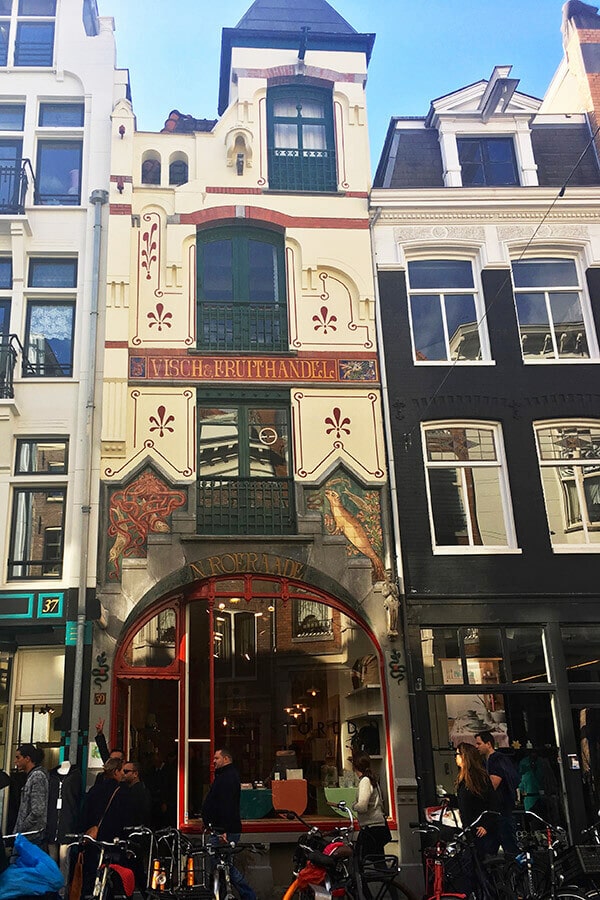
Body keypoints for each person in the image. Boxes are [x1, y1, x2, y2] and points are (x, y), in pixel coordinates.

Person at [201, 748, 256, 900]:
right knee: (220, 866)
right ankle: (221, 895)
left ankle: (248, 895)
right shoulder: (224, 776)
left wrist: (224, 830)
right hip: (219, 828)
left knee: (225, 866)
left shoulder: (228, 777)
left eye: (216, 758)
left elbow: (227, 805)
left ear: (226, 759)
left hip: (223, 831)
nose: (213, 761)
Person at [475, 731, 519, 855]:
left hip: (502, 811)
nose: (476, 747)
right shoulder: (487, 762)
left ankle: (517, 871)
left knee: (509, 848)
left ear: (488, 744)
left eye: (479, 743)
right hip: (497, 812)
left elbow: (492, 785)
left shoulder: (497, 761)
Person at [454, 742, 497, 857]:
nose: (455, 757)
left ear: (465, 756)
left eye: (458, 754)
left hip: (479, 829)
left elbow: (492, 802)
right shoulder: (463, 780)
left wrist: (486, 825)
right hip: (469, 829)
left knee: (478, 863)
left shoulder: (479, 779)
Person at [351, 752, 390, 863]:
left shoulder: (365, 781)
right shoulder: (372, 780)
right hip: (378, 825)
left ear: (355, 767)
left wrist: (354, 805)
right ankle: (385, 878)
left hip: (371, 827)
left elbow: (362, 806)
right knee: (378, 860)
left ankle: (363, 880)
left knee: (359, 858)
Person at [13, 743, 49, 848]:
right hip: (29, 835)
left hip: (32, 836)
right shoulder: (33, 776)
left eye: (18, 757)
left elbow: (37, 810)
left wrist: (22, 827)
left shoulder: (37, 777)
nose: (15, 761)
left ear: (27, 758)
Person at [122, 760, 151, 825]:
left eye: (126, 771)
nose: (123, 774)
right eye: (122, 771)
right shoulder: (126, 789)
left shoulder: (141, 792)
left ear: (135, 774)